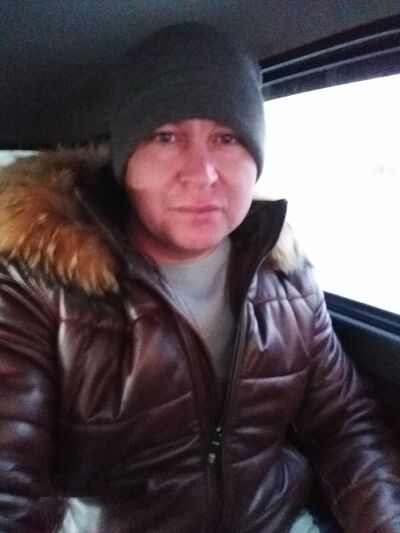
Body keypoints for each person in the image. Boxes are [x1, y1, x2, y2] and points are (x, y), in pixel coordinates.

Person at [0, 22, 399, 533]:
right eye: (166, 137)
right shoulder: (36, 287)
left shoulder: (287, 278)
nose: (202, 173)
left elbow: (345, 422)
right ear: (125, 161)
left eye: (227, 138)